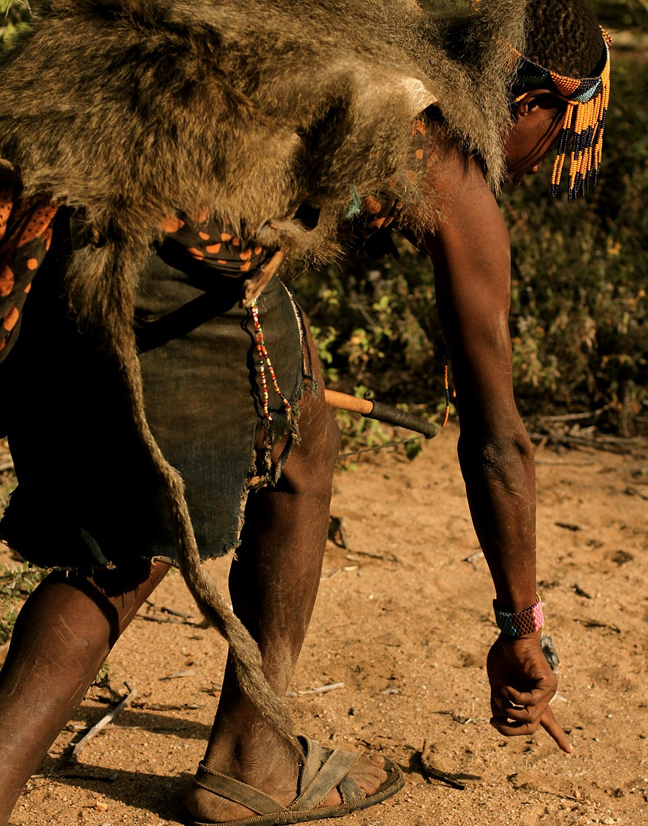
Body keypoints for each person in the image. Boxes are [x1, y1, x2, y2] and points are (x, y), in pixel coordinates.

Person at [0, 1, 610, 824]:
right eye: (567, 135)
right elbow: (499, 442)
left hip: (56, 184)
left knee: (305, 433)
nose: (543, 162)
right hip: (145, 242)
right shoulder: (442, 143)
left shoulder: (357, 48)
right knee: (130, 550)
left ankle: (254, 750)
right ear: (531, 102)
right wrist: (520, 624)